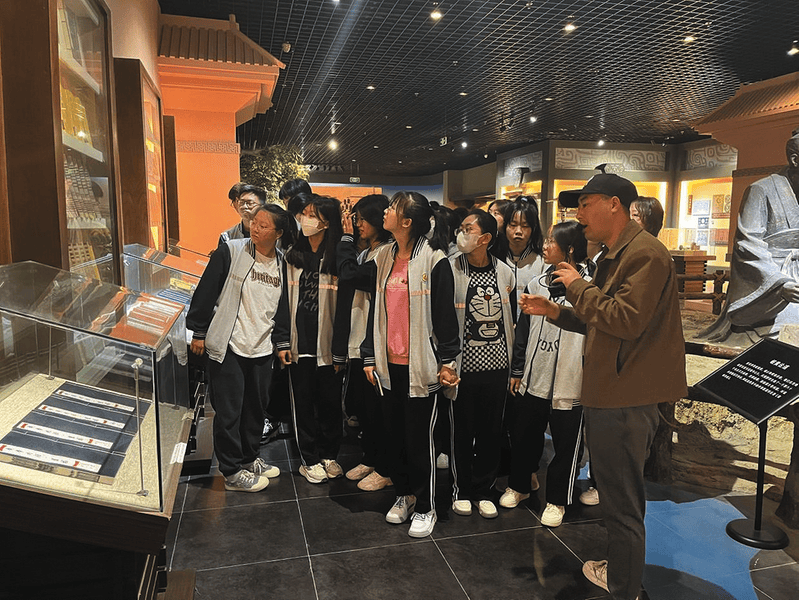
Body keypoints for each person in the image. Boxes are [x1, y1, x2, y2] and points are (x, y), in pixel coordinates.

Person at [519, 173, 686, 600]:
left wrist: (576, 285)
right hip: (613, 390)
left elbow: (625, 320)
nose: (578, 214)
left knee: (622, 501)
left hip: (626, 395)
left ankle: (624, 586)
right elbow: (604, 319)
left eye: (585, 203)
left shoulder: (645, 253)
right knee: (616, 495)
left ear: (614, 204)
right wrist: (556, 312)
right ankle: (621, 570)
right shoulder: (618, 253)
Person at [362, 191, 460, 538]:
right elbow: (375, 309)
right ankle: (404, 495)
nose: (385, 211)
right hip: (388, 365)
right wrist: (369, 355)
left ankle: (427, 506)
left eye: (392, 208)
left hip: (422, 366)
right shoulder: (383, 255)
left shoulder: (434, 259)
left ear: (406, 222)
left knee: (421, 442)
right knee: (396, 438)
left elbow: (446, 317)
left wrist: (448, 361)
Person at [187, 204, 292, 492]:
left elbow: (283, 306)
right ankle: (232, 472)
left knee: (255, 410)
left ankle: (249, 458)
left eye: (263, 226)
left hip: (262, 347)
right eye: (254, 222)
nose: (255, 228)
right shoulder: (231, 251)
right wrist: (199, 330)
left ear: (279, 233)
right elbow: (206, 291)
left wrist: (282, 341)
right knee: (229, 412)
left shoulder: (283, 263)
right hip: (230, 345)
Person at [503, 221, 592, 528]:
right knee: (525, 435)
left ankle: (557, 500)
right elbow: (523, 330)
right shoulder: (536, 284)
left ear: (570, 249)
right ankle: (519, 485)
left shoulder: (589, 287)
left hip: (571, 379)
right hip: (535, 374)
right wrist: (518, 368)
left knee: (567, 444)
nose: (545, 245)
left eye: (552, 241)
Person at [699, 129, 799, 346]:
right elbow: (748, 244)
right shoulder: (761, 190)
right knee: (783, 334)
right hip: (771, 280)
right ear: (795, 160)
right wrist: (780, 285)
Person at [448, 209, 515, 519]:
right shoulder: (451, 268)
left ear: (485, 238)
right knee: (461, 432)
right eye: (461, 228)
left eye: (468, 229)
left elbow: (510, 320)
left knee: (490, 432)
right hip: (463, 368)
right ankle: (461, 489)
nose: (461, 234)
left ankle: (484, 489)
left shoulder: (505, 272)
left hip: (497, 367)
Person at [278, 195, 345, 484]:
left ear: (326, 223)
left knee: (331, 403)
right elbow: (282, 301)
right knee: (302, 404)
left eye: (311, 214)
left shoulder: (337, 258)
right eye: (303, 213)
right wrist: (282, 341)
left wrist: (341, 349)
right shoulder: (292, 256)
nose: (304, 219)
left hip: (328, 345)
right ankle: (309, 458)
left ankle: (329, 454)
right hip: (299, 344)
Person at [335, 194, 393, 491]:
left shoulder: (386, 253)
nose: (357, 225)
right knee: (364, 408)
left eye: (361, 219)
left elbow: (349, 275)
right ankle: (371, 458)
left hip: (376, 344)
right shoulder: (367, 251)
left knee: (377, 410)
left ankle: (385, 467)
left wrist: (345, 239)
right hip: (358, 340)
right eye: (355, 219)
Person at [495, 197, 546, 317]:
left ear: (533, 229)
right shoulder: (495, 260)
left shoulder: (542, 262)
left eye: (525, 226)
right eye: (513, 225)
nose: (518, 231)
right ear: (505, 226)